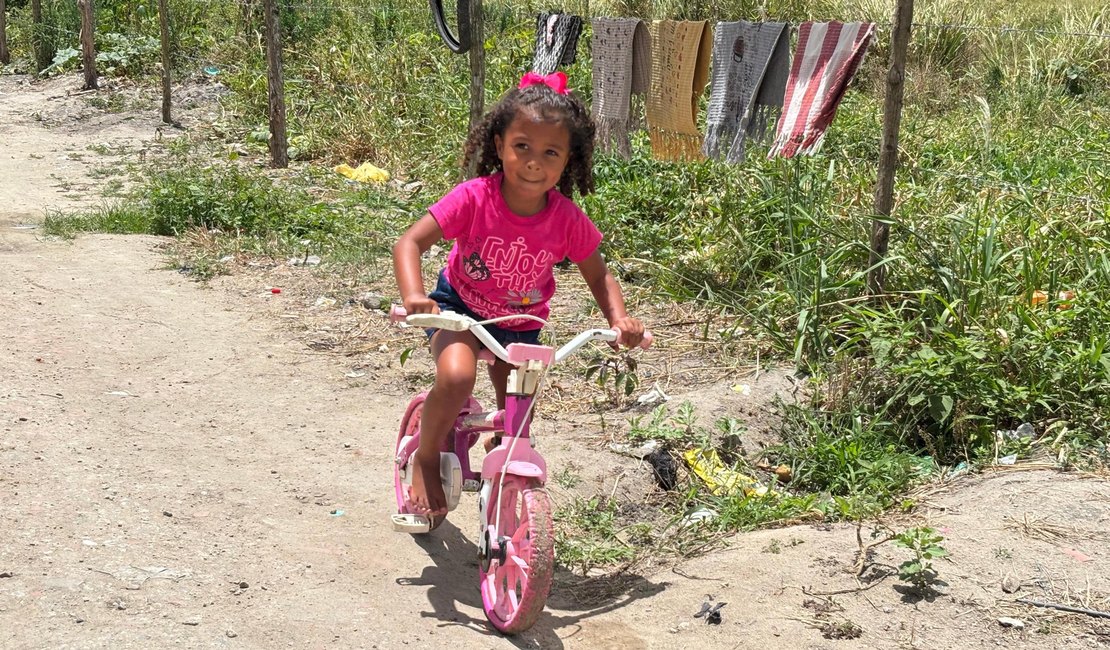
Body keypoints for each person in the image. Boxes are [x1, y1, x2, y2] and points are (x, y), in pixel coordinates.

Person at [392, 71, 646, 519]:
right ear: (499, 144)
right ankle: (427, 457)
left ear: (569, 160)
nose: (534, 162)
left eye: (551, 152)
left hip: (521, 323)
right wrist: (415, 296)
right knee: (455, 377)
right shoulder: (474, 198)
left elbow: (599, 275)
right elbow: (409, 242)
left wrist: (619, 318)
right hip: (460, 310)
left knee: (520, 408)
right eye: (522, 146)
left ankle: (504, 454)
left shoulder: (567, 219)